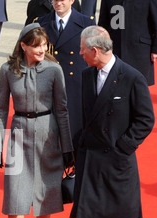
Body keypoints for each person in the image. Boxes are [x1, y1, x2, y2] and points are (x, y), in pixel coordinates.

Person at [71, 26, 155, 218]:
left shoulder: (131, 76)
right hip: (89, 155)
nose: (80, 53)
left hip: (116, 158)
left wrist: (124, 147)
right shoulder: (86, 75)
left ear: (95, 50)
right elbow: (84, 116)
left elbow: (145, 119)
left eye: (83, 49)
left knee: (115, 212)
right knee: (85, 210)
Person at [0, 23, 74, 218]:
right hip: (18, 134)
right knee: (15, 194)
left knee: (44, 192)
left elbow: (62, 109)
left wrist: (67, 148)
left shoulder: (54, 70)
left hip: (48, 135)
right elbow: (1, 109)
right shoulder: (7, 70)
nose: (41, 49)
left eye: (44, 45)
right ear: (23, 45)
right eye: (36, 45)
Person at [38, 0, 95, 149]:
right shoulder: (42, 22)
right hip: (49, 84)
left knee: (74, 126)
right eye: (55, 0)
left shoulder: (86, 23)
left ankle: (74, 164)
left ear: (72, 1)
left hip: (76, 84)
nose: (58, 3)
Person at [98, 0, 157, 86]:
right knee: (114, 85)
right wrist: (100, 46)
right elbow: (103, 23)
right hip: (114, 48)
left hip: (140, 50)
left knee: (137, 86)